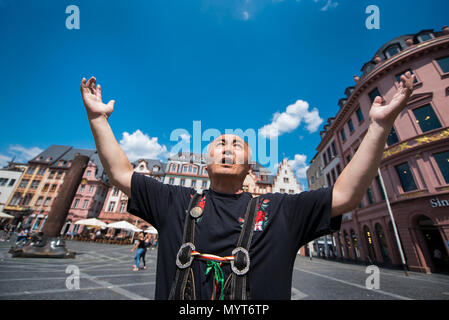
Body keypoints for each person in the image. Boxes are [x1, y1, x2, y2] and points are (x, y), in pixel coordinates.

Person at [80, 72, 416, 299]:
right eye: (219, 143)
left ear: (250, 168)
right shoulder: (175, 200)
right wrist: (98, 118)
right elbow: (120, 173)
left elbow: (345, 195)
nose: (226, 147)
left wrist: (379, 127)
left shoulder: (281, 209)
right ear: (206, 161)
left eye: (237, 144)